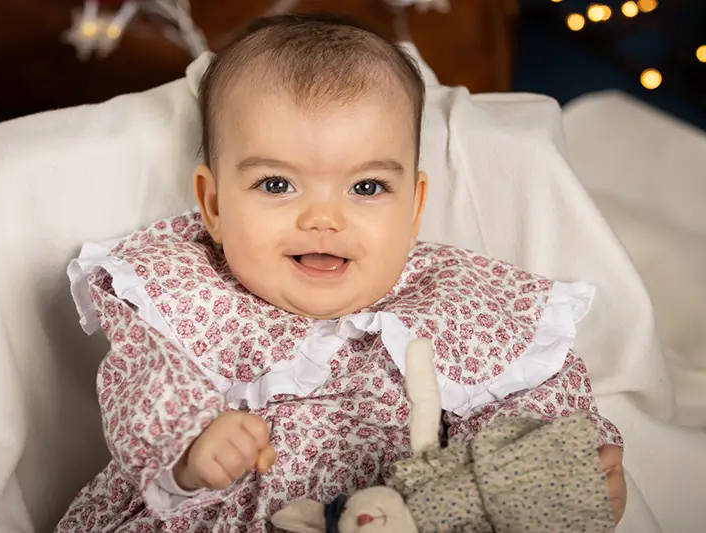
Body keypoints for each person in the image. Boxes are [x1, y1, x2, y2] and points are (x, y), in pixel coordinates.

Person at [57, 13, 625, 533]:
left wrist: (564, 472)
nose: (324, 219)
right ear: (214, 205)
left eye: (367, 187)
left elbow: (530, 401)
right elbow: (144, 390)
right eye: (277, 184)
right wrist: (190, 455)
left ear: (414, 208)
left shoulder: (459, 300)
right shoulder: (184, 291)